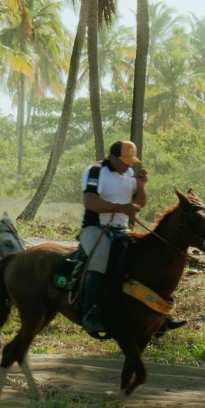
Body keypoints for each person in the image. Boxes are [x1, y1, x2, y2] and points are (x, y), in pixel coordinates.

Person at [78, 140, 145, 334]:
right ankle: (89, 311)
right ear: (113, 157)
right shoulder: (96, 170)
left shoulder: (130, 174)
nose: (128, 165)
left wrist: (140, 186)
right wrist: (120, 208)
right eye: (124, 161)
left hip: (122, 229)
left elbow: (138, 204)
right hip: (95, 227)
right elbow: (90, 201)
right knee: (100, 259)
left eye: (131, 161)